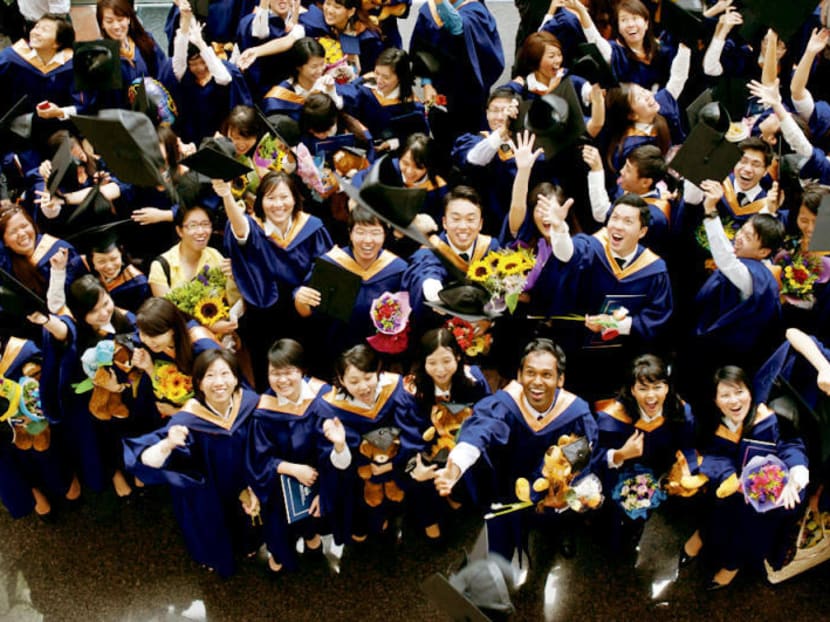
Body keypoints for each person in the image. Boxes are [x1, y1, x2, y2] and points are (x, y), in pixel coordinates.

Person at [434, 338, 598, 563]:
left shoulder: (576, 413)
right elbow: (480, 429)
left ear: (560, 379)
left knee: (552, 524)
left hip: (550, 490)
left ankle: (558, 533)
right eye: (530, 372)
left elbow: (579, 458)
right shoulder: (505, 404)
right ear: (519, 375)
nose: (537, 382)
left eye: (547, 375)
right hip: (509, 485)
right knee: (502, 538)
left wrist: (563, 494)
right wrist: (455, 468)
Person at [124, 349, 261, 577]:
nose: (219, 382)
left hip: (243, 482)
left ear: (236, 378)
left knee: (246, 518)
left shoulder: (250, 404)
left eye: (225, 374)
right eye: (209, 376)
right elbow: (147, 460)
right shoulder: (187, 420)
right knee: (209, 526)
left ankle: (249, 544)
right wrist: (168, 444)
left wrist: (255, 483)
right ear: (198, 382)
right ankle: (213, 557)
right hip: (206, 490)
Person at [681, 366, 809, 590]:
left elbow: (791, 447)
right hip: (727, 489)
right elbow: (707, 454)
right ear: (715, 399)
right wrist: (730, 477)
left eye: (739, 392)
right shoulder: (712, 422)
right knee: (714, 518)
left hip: (759, 502)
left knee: (746, 535)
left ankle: (731, 566)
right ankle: (700, 538)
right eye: (725, 395)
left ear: (750, 391)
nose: (734, 401)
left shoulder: (770, 421)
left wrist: (797, 472)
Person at [215, 171, 332, 389]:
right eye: (270, 198)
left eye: (284, 197)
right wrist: (226, 195)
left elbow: (324, 268)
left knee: (309, 376)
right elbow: (240, 230)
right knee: (271, 377)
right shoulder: (254, 229)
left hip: (303, 316)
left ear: (295, 199)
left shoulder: (313, 227)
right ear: (260, 202)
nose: (278, 204)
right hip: (265, 319)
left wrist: (303, 291)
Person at [32, 275, 141, 495]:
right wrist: (46, 321)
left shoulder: (124, 319)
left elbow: (136, 359)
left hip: (126, 387)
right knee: (96, 431)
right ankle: (114, 472)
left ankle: (136, 465)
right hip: (90, 396)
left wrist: (122, 386)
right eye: (93, 311)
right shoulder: (78, 335)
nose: (103, 313)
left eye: (106, 303)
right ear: (81, 315)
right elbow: (61, 331)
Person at [311, 344, 423, 543]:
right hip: (357, 478)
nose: (363, 387)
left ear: (378, 371)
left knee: (400, 499)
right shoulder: (330, 407)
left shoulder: (395, 389)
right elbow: (331, 461)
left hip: (397, 465)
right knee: (360, 519)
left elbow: (413, 433)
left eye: (368, 377)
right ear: (341, 379)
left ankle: (393, 519)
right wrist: (340, 446)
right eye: (354, 381)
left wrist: (392, 464)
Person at [593, 354, 696, 553]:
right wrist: (621, 454)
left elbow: (688, 446)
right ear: (632, 390)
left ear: (667, 387)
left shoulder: (680, 412)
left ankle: (633, 535)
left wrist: (685, 470)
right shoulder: (611, 420)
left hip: (657, 477)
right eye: (643, 388)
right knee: (611, 520)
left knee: (642, 516)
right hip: (615, 478)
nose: (651, 396)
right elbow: (594, 457)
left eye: (658, 387)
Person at [245, 339, 331, 572]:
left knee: (315, 513)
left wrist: (324, 489)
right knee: (279, 525)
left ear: (302, 370)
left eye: (288, 372)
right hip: (279, 484)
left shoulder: (324, 397)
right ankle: (281, 555)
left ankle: (312, 538)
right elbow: (258, 459)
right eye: (274, 373)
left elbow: (333, 451)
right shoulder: (264, 410)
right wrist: (292, 469)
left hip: (319, 479)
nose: (281, 380)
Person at [691, 182, 784, 384]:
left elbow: (725, 259)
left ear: (764, 252)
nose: (739, 237)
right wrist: (768, 207)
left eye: (748, 237)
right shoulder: (753, 263)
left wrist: (710, 212)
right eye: (742, 230)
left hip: (725, 358)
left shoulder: (752, 277)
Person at [404, 327, 492, 537]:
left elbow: (486, 417)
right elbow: (410, 430)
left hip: (464, 443)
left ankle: (459, 495)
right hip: (428, 447)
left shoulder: (474, 380)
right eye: (432, 362)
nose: (440, 369)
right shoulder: (413, 389)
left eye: (446, 360)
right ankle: (430, 519)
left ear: (458, 357)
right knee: (419, 475)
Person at [294, 206, 407, 366]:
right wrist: (300, 299)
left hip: (381, 362)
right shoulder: (331, 265)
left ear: (384, 234)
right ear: (350, 233)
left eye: (375, 233)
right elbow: (309, 314)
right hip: (335, 358)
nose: (368, 240)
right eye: (360, 232)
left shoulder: (398, 270)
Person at [403, 185, 499, 327]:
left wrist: (488, 320)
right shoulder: (431, 250)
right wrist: (436, 295)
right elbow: (426, 271)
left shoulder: (491, 248)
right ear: (444, 222)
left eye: (470, 219)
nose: (463, 226)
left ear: (480, 224)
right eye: (456, 219)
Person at [409, 0, 505, 139]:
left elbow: (457, 26)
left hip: (469, 91)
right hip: (440, 89)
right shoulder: (428, 10)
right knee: (441, 134)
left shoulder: (475, 10)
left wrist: (440, 3)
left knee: (471, 140)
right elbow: (422, 50)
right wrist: (427, 84)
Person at [147, 203, 241, 342]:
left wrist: (235, 278)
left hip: (222, 340)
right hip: (187, 342)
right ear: (179, 231)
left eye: (205, 224)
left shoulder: (215, 256)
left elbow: (230, 299)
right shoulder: (161, 266)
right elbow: (168, 317)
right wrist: (209, 326)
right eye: (193, 226)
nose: (201, 231)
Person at [0, 13, 79, 169]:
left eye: (44, 30)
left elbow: (84, 104)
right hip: (16, 135)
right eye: (36, 27)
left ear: (57, 42)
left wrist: (59, 112)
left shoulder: (71, 65)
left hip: (56, 131)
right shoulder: (10, 58)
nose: (35, 32)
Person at [169, 6, 253, 145]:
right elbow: (179, 57)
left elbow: (225, 79)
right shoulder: (185, 75)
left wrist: (201, 44)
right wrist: (185, 24)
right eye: (193, 63)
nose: (200, 68)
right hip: (191, 136)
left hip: (219, 135)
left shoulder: (220, 69)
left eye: (203, 62)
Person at [0, 205, 86, 337]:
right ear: (4, 242)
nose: (22, 234)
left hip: (66, 324)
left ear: (33, 225)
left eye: (24, 226)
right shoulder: (7, 261)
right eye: (13, 232)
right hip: (28, 327)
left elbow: (74, 298)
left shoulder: (59, 251)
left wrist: (58, 271)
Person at [131, 297, 220, 419]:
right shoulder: (154, 345)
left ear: (172, 329)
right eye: (143, 334)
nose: (147, 340)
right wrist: (149, 367)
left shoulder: (202, 346)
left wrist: (178, 412)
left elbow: (221, 394)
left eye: (154, 335)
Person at [339, 48, 429, 155]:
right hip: (354, 147)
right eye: (377, 73)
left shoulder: (412, 108)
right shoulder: (364, 85)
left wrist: (391, 143)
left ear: (400, 77)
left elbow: (417, 137)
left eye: (386, 77)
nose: (379, 80)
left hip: (388, 155)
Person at [93, 0, 170, 111]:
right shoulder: (97, 55)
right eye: (109, 21)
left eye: (120, 20)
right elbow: (94, 101)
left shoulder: (145, 41)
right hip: (119, 121)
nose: (116, 26)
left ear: (129, 19)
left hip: (151, 116)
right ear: (102, 24)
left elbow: (163, 73)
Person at [299, 0, 384, 83]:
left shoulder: (368, 41)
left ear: (351, 11)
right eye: (328, 3)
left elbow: (371, 76)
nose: (330, 10)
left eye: (337, 7)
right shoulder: (319, 25)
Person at [261, 37, 341, 119]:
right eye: (314, 66)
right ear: (299, 66)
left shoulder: (324, 84)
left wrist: (331, 91)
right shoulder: (279, 97)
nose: (320, 70)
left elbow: (335, 113)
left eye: (322, 64)